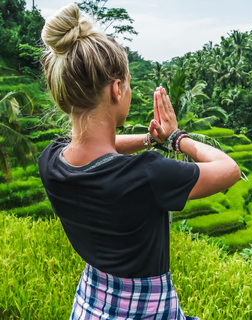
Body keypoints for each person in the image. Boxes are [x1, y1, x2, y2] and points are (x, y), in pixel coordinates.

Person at [38, 3, 240, 320]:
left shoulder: (51, 159)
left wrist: (150, 139)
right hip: (146, 310)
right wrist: (176, 137)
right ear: (117, 89)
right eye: (129, 83)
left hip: (91, 305)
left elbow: (95, 146)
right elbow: (229, 169)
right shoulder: (147, 174)